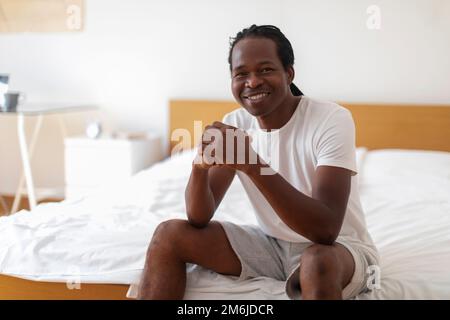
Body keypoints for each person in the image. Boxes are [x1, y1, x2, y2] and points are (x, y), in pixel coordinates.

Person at [137, 24, 379, 300]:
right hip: (272, 247)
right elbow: (199, 217)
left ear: (289, 73)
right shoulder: (235, 124)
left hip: (337, 249)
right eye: (241, 74)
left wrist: (253, 164)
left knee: (316, 262)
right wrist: (200, 166)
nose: (252, 82)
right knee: (168, 234)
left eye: (265, 70)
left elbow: (325, 230)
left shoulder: (330, 119)